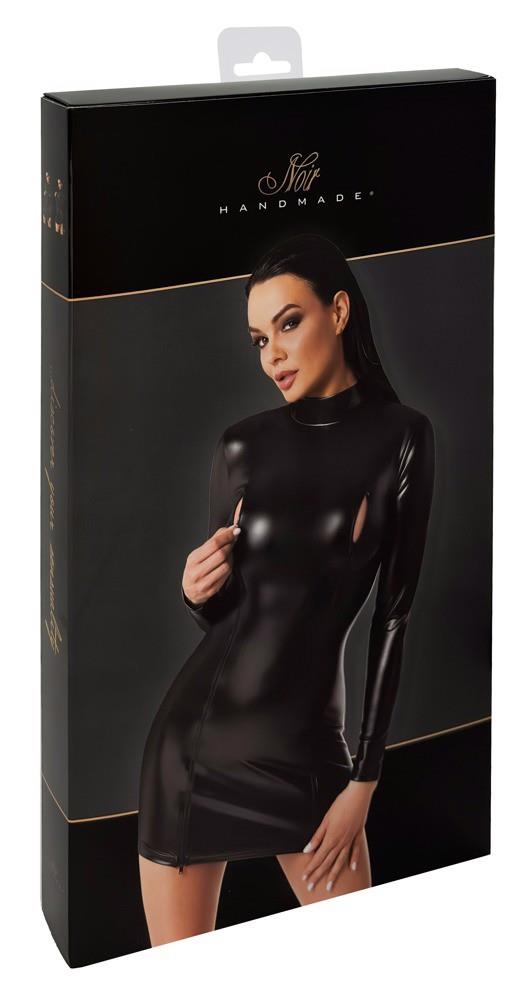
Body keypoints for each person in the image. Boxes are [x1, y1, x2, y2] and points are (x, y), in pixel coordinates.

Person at [137, 233, 435, 947]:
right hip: (194, 749)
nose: (272, 353)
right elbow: (233, 615)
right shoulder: (241, 445)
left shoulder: (402, 437)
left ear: (339, 310)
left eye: (288, 323)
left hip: (307, 752)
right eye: (259, 339)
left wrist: (363, 780)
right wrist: (196, 592)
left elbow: (394, 616)